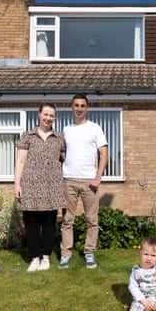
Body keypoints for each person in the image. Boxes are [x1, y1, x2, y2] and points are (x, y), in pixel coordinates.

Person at [14, 103, 66, 273]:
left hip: (52, 186)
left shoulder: (59, 138)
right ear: (39, 114)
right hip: (30, 185)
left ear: (54, 118)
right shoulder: (27, 136)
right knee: (32, 224)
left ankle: (46, 258)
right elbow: (20, 162)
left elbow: (64, 160)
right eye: (45, 114)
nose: (48, 118)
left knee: (50, 224)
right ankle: (35, 258)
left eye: (51, 115)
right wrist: (17, 184)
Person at [59, 94, 108, 269]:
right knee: (67, 220)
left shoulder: (95, 128)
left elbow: (104, 154)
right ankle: (65, 254)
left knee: (92, 220)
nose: (79, 108)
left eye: (82, 105)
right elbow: (62, 154)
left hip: (89, 181)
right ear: (71, 107)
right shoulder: (66, 130)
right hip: (69, 181)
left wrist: (98, 177)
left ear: (87, 108)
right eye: (76, 105)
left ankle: (89, 252)